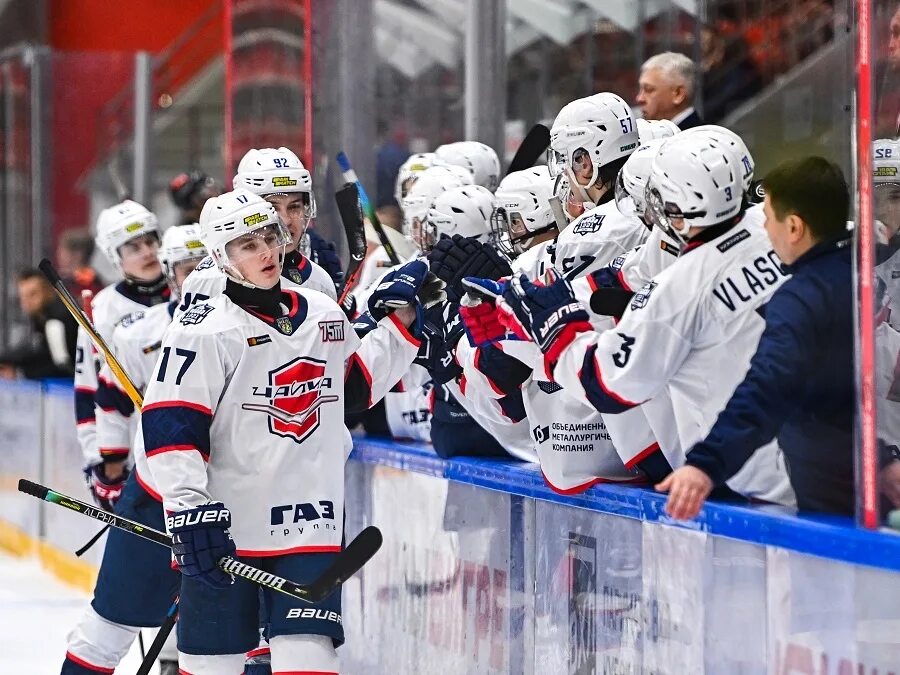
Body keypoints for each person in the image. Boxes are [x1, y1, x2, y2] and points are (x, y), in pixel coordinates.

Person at [139, 189, 429, 672]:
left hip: (309, 528)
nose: (268, 252)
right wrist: (187, 509)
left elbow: (353, 389)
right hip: (227, 534)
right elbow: (171, 424)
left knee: (309, 659)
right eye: (248, 245)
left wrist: (402, 326)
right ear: (220, 257)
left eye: (270, 237)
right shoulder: (204, 328)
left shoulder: (321, 313)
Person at [484, 130, 795, 508]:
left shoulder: (678, 291)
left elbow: (607, 384)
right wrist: (570, 294)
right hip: (828, 455)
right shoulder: (783, 227)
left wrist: (557, 329)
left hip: (750, 481)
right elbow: (632, 271)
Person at [655, 156, 862, 518]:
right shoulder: (860, 271)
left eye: (767, 218)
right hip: (866, 473)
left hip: (832, 495)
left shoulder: (801, 297)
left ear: (794, 227)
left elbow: (768, 387)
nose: (764, 229)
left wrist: (705, 464)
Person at [61, 225, 208, 675]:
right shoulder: (137, 332)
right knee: (110, 620)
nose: (199, 276)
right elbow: (108, 401)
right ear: (172, 274)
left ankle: (170, 662)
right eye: (187, 268)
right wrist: (109, 467)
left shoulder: (252, 328)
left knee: (229, 632)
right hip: (153, 489)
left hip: (229, 495)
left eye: (206, 264)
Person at [74, 200, 170, 514]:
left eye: (150, 241)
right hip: (132, 453)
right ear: (116, 258)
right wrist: (101, 463)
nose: (147, 252)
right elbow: (88, 389)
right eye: (133, 248)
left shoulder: (187, 292)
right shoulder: (102, 310)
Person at [179, 146, 337, 312]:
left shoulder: (320, 278)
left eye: (294, 207)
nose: (286, 220)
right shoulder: (208, 279)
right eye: (273, 208)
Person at [0, 269, 77, 380]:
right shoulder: (41, 316)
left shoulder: (58, 320)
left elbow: (62, 365)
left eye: (33, 294)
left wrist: (20, 371)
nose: (26, 301)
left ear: (48, 291)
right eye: (23, 296)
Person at [636, 52, 703, 129]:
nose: (639, 99)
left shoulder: (695, 138)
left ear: (678, 94)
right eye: (640, 89)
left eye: (648, 89)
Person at [56, 228, 104, 297]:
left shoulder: (89, 284)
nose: (58, 254)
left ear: (78, 254)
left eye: (63, 251)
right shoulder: (63, 279)